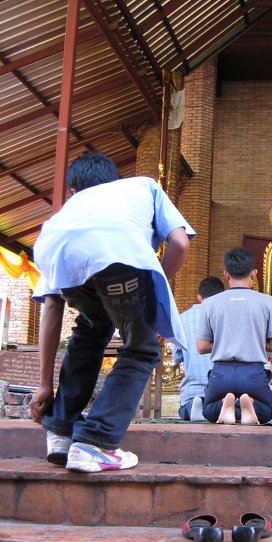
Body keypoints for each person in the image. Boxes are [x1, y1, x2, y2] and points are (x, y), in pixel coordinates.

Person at [29, 151, 194, 472]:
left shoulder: (63, 218)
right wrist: (149, 288)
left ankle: (61, 431)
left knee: (90, 330)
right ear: (115, 182)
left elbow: (52, 308)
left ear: (74, 192)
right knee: (141, 350)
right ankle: (96, 441)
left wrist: (44, 385)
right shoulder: (143, 187)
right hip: (122, 256)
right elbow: (180, 242)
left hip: (57, 254)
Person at [197, 247, 272, 425]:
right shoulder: (268, 302)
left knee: (207, 410)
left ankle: (225, 404)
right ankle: (250, 403)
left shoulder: (210, 303)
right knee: (267, 412)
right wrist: (252, 341)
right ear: (253, 274)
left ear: (226, 274)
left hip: (221, 373)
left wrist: (227, 341)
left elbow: (201, 347)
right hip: (253, 373)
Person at [173, 276, 225, 421]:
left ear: (199, 297)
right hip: (221, 389)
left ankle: (193, 406)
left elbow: (176, 357)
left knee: (186, 405)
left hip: (193, 388)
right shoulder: (227, 316)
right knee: (226, 405)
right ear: (222, 296)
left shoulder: (181, 319)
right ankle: (210, 407)